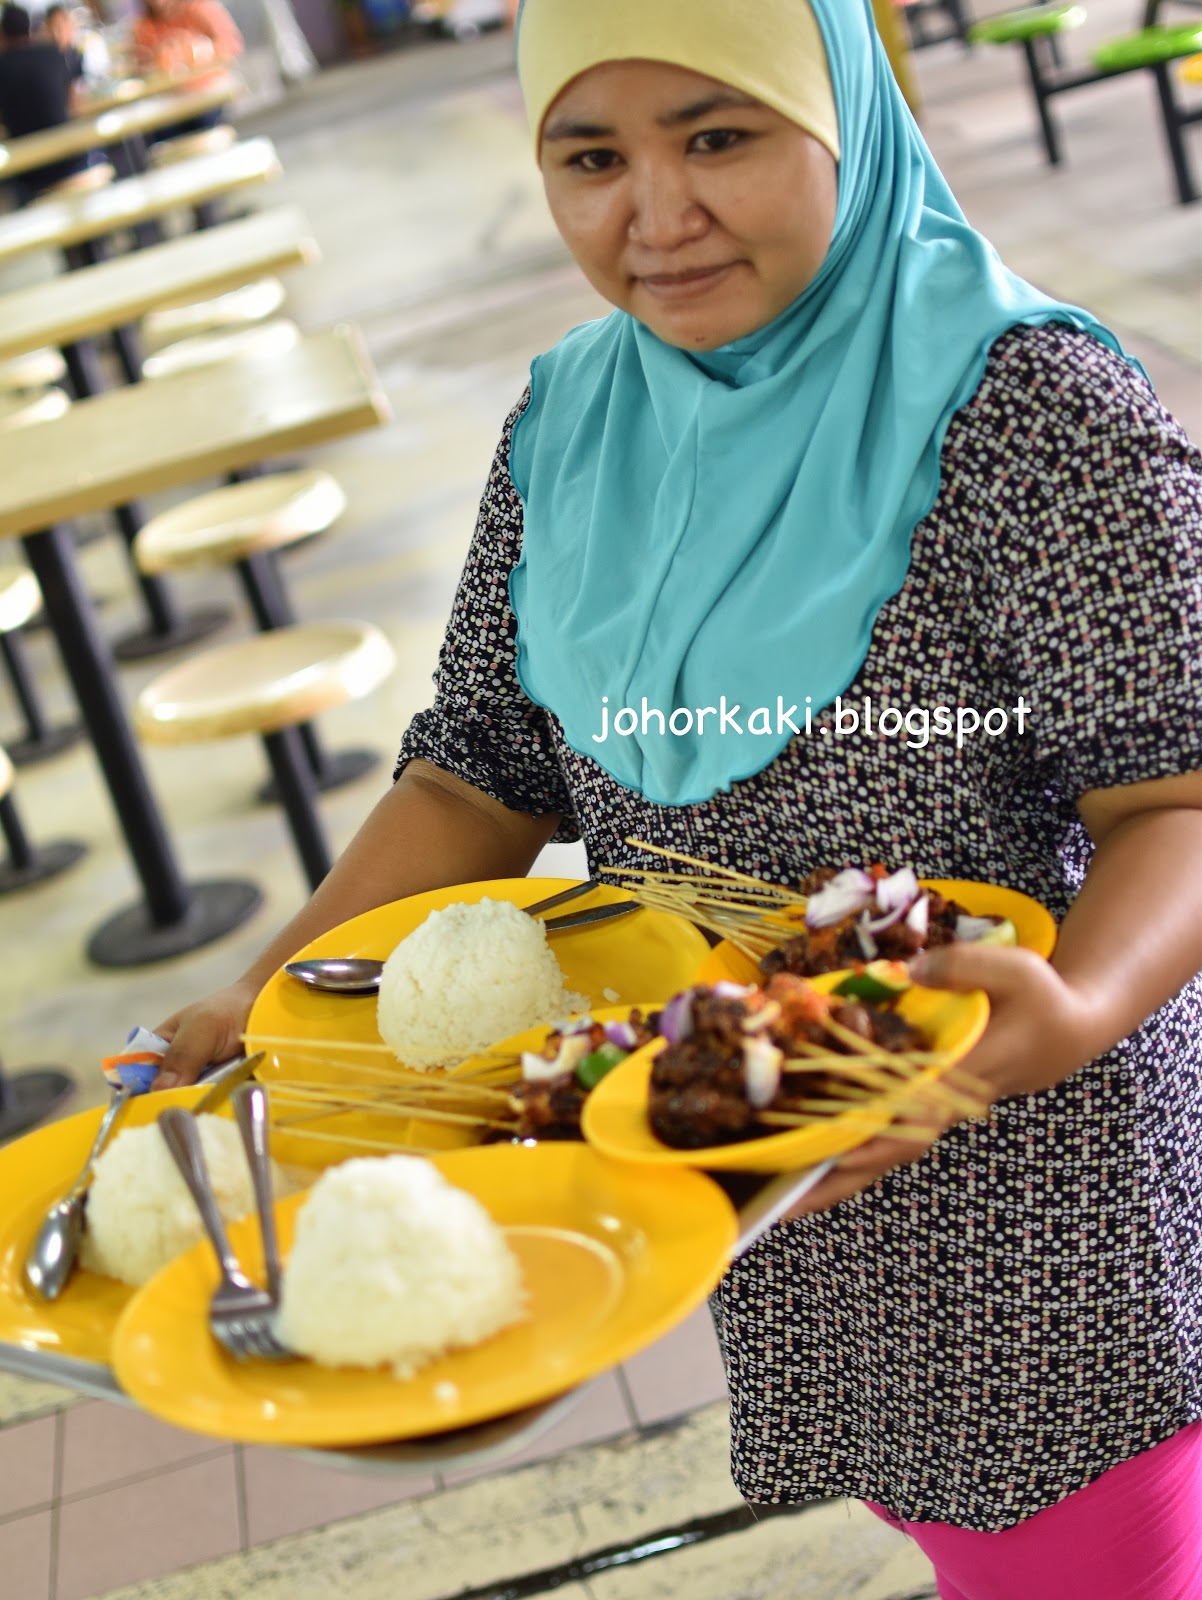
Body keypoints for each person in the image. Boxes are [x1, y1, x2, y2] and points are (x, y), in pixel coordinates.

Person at [152, 0, 1202, 1593]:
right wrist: (267, 986)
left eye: (718, 135)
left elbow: (1178, 794)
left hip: (1033, 1191)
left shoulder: (1024, 414)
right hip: (738, 1150)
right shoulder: (573, 422)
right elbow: (473, 771)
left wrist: (1070, 1000)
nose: (654, 216)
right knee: (939, 1519)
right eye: (590, 156)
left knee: (1077, 1547)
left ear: (844, 117)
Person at [0, 3, 89, 202]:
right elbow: (75, 105)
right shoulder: (52, 54)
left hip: (31, 173)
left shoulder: (2, 66)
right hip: (72, 159)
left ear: (2, 34)